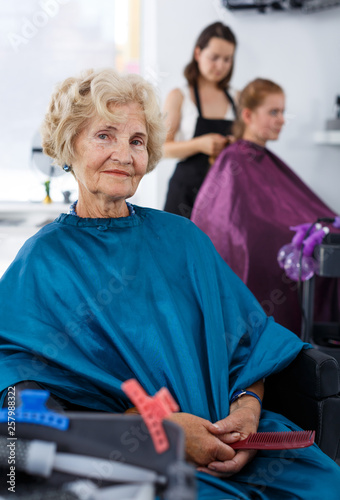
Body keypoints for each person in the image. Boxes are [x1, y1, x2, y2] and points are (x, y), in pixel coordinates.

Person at [0, 69, 339, 499]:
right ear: (69, 145)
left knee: (328, 483)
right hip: (134, 457)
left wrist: (248, 409)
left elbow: (251, 345)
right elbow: (19, 389)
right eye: (105, 136)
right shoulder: (43, 260)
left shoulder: (183, 238)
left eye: (137, 141)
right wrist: (160, 431)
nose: (124, 154)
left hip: (234, 442)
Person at [191, 78, 339, 336]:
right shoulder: (234, 160)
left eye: (282, 111)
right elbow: (235, 227)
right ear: (248, 115)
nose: (282, 119)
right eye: (274, 112)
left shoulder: (262, 157)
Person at [163, 22, 238, 218]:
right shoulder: (179, 96)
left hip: (224, 198)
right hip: (184, 197)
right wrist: (200, 144)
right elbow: (162, 148)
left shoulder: (237, 98)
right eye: (214, 58)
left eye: (227, 59)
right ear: (198, 54)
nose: (220, 66)